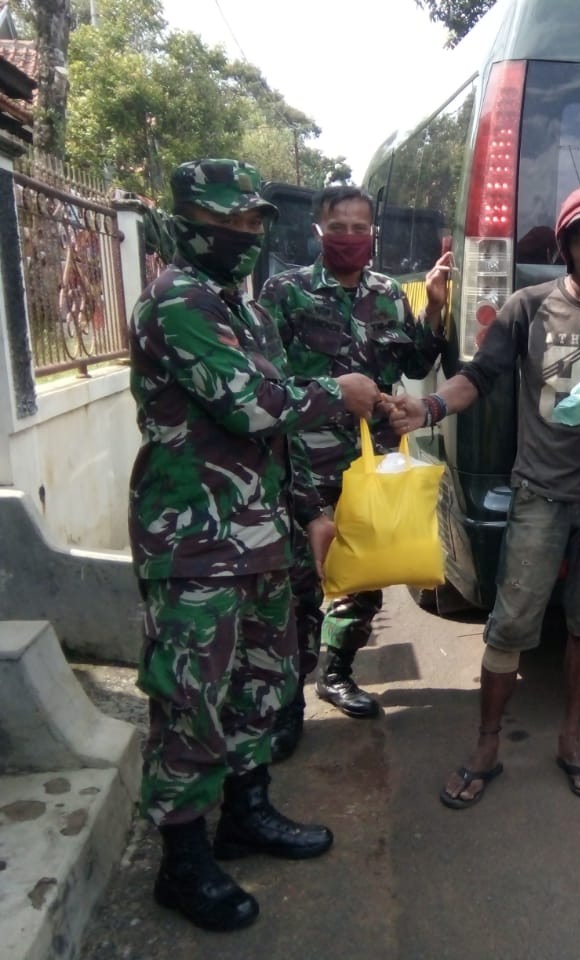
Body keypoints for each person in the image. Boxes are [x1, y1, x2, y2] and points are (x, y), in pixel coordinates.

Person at [129, 158, 381, 931]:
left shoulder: (243, 309)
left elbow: (274, 443)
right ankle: (182, 861)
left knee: (258, 687)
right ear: (187, 224)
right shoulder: (177, 302)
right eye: (226, 222)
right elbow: (250, 404)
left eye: (250, 223)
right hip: (195, 539)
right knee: (190, 701)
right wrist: (337, 392)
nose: (241, 234)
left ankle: (246, 813)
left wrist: (307, 509)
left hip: (260, 534)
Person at [385, 184, 580, 808]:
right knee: (509, 625)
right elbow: (477, 378)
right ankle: (486, 747)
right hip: (541, 493)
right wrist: (427, 407)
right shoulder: (527, 308)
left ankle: (571, 739)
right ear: (564, 247)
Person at [257, 185, 450, 753]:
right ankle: (286, 703)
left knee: (364, 576)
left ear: (373, 234)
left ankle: (335, 675)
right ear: (318, 232)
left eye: (359, 228)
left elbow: (415, 362)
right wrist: (334, 394)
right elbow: (266, 383)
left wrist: (435, 306)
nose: (349, 237)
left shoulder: (390, 293)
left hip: (373, 462)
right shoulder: (284, 292)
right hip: (304, 463)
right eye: (337, 227)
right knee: (300, 582)